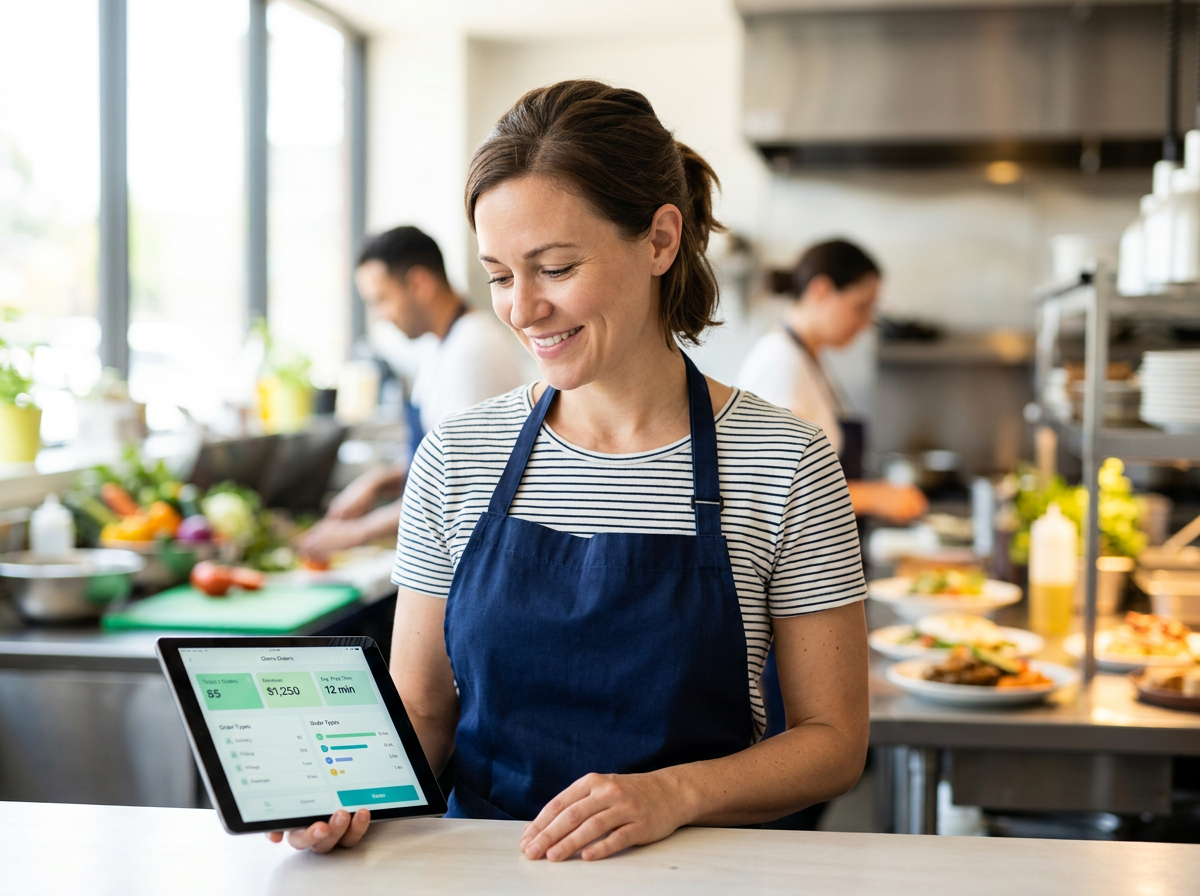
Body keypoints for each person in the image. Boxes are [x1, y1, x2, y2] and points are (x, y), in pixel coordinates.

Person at [271, 80, 868, 860]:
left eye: (553, 267)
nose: (520, 309)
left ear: (659, 240)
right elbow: (421, 713)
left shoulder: (784, 459)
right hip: (485, 869)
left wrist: (676, 793)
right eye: (498, 275)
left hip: (698, 873)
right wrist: (344, 794)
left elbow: (833, 742)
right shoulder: (457, 457)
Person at [298, 226, 530, 561]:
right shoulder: (441, 346)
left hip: (478, 556)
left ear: (419, 283)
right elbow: (443, 461)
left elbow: (459, 484)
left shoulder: (472, 350)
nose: (379, 316)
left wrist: (356, 533)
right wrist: (377, 483)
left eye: (381, 299)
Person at [737, 240, 927, 524]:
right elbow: (779, 490)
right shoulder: (780, 363)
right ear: (821, 290)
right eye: (861, 307)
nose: (866, 323)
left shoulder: (806, 356)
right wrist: (875, 496)